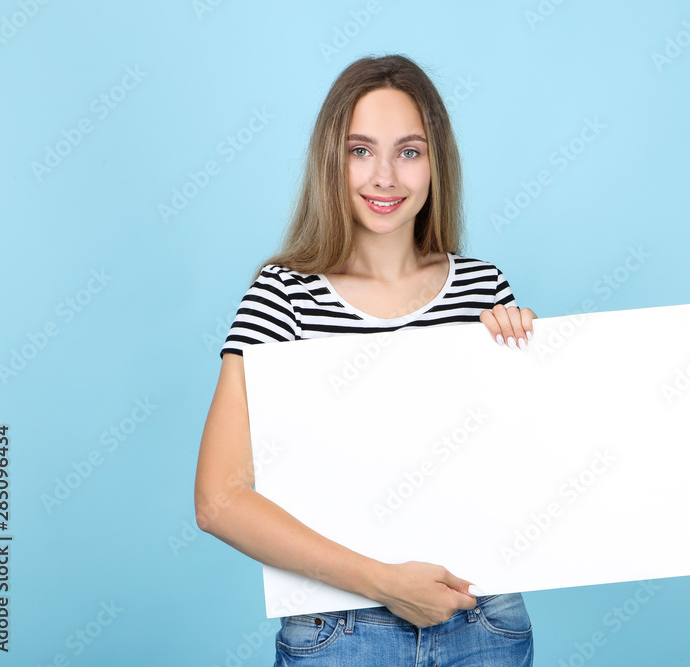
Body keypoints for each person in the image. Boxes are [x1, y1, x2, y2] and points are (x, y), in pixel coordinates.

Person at [194, 54, 536, 665]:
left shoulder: (485, 289)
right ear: (333, 161)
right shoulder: (283, 295)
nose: (385, 176)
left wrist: (529, 363)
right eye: (360, 151)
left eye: (409, 151)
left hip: (483, 623)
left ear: (437, 162)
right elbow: (218, 500)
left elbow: (534, 472)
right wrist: (382, 581)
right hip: (340, 632)